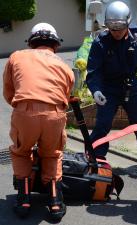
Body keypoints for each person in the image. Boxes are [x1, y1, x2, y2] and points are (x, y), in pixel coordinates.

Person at [3, 22, 74, 220]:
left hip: (25, 113)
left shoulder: (16, 57)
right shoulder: (64, 66)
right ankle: (55, 203)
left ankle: (24, 200)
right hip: (55, 114)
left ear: (31, 43)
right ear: (55, 44)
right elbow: (66, 97)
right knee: (52, 154)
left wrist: (24, 107)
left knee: (21, 151)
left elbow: (9, 92)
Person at [86, 1, 137, 168]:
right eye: (112, 29)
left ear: (128, 23)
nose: (116, 33)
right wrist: (96, 90)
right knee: (103, 124)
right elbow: (93, 71)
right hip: (108, 88)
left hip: (131, 85)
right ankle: (96, 157)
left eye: (120, 28)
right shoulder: (100, 42)